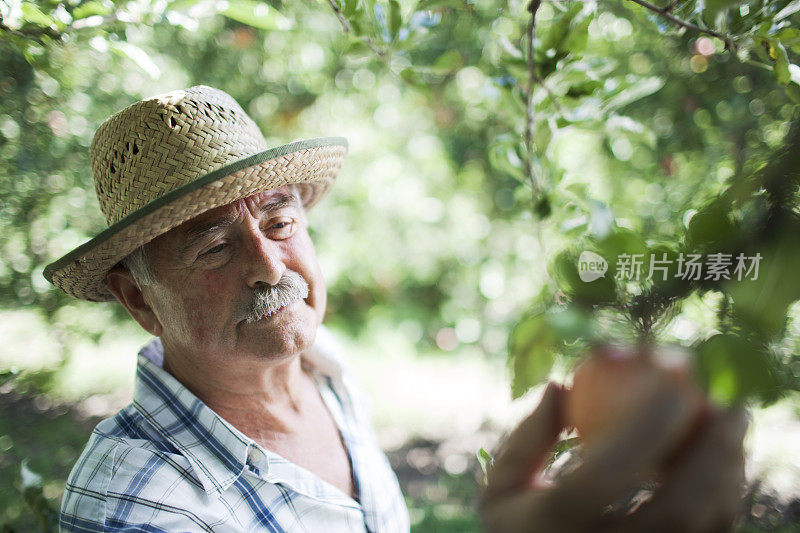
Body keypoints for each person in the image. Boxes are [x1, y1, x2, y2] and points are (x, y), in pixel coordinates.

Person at [46, 86, 747, 532]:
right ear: (140, 298)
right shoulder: (140, 506)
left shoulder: (326, 368)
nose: (268, 265)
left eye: (280, 223)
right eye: (215, 248)